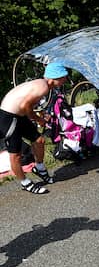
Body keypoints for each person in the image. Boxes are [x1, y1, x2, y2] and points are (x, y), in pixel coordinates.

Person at [0, 62, 67, 193]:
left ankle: (39, 168)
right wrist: (38, 119)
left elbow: (28, 103)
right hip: (8, 117)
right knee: (15, 155)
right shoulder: (44, 87)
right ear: (55, 78)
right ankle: (25, 182)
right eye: (63, 78)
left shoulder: (42, 84)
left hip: (19, 115)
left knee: (39, 140)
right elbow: (25, 105)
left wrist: (39, 115)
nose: (64, 81)